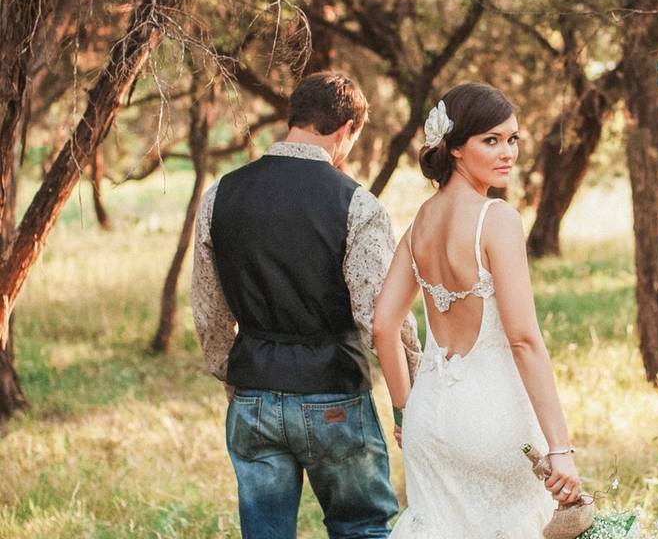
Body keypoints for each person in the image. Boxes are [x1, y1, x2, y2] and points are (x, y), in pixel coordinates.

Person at [191, 71, 422, 539]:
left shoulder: (220, 195)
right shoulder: (357, 205)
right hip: (333, 393)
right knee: (361, 527)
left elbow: (209, 309)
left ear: (295, 118)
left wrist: (230, 373)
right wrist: (414, 391)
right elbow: (381, 314)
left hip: (252, 393)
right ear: (346, 131)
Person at [373, 82, 581, 538]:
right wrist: (560, 448)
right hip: (493, 419)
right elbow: (524, 340)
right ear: (456, 149)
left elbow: (384, 325)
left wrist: (405, 411)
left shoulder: (419, 222)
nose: (507, 152)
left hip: (430, 415)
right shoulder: (497, 219)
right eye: (491, 140)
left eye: (512, 139)